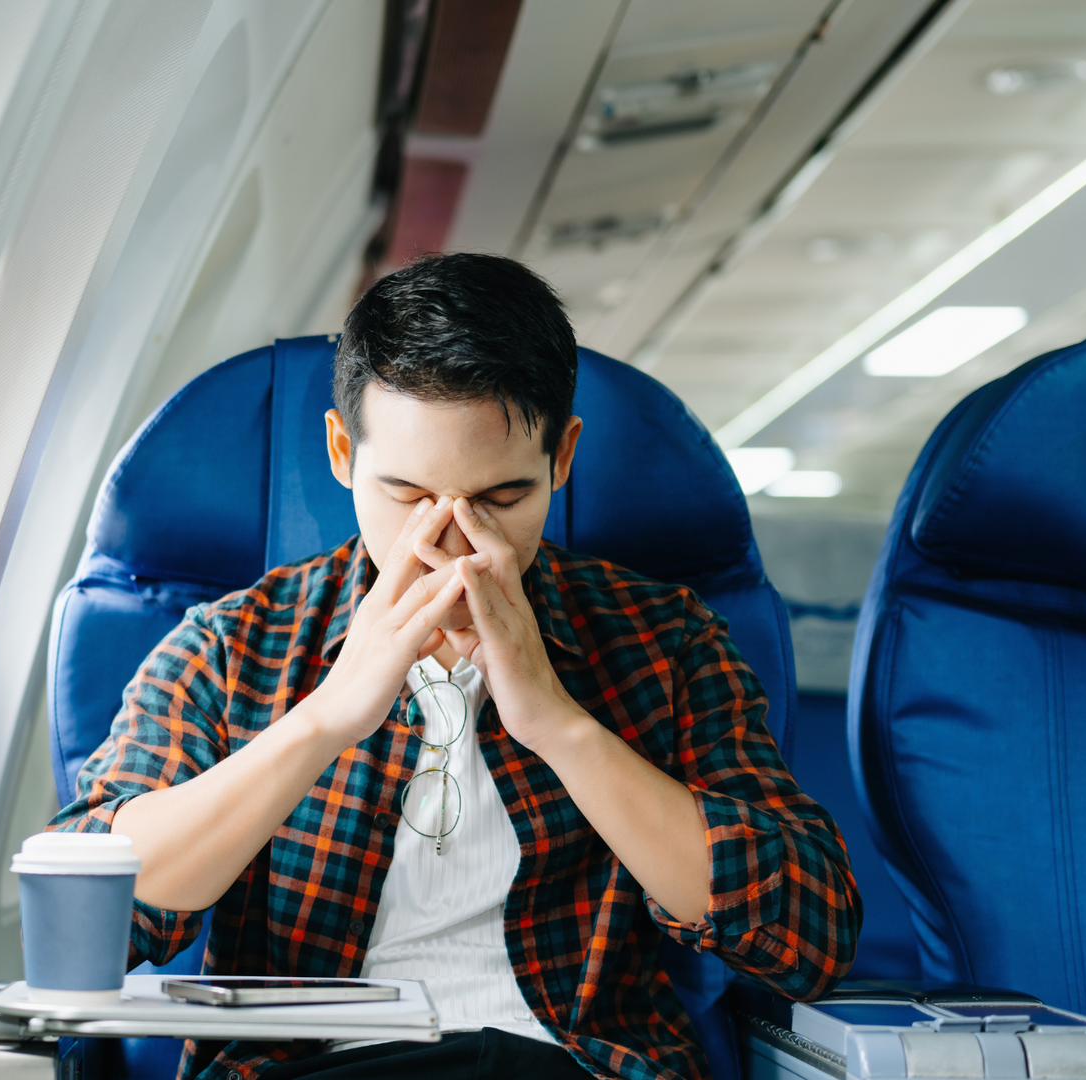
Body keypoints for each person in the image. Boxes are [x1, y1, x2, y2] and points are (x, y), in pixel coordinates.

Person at [49, 253, 860, 1080]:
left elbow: (809, 936)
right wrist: (327, 719)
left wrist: (558, 724)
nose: (450, 543)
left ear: (563, 460)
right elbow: (90, 916)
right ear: (341, 453)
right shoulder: (234, 646)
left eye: (502, 500)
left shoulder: (664, 641)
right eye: (405, 494)